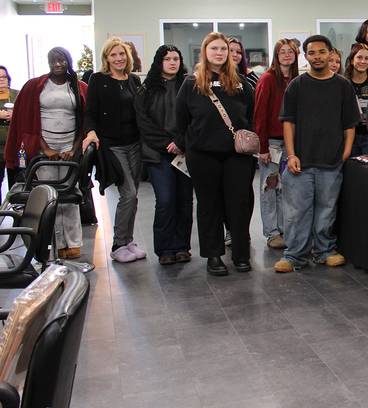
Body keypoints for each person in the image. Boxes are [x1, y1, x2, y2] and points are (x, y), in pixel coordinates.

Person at [274, 35, 360, 273]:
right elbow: (288, 122)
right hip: (300, 162)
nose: (317, 57)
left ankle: (324, 252)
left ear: (330, 53)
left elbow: (349, 123)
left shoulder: (343, 85)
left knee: (326, 211)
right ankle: (294, 256)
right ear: (305, 56)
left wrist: (346, 151)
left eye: (322, 52)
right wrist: (291, 155)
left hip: (331, 161)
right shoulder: (296, 86)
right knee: (296, 213)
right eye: (311, 53)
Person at [175, 33, 256, 276]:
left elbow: (249, 116)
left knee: (239, 205)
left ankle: (241, 255)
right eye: (214, 48)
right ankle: (213, 256)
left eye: (223, 49)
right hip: (202, 155)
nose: (219, 53)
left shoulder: (241, 83)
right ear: (205, 51)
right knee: (209, 205)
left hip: (237, 155)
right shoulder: (191, 83)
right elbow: (182, 119)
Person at [4, 48, 87, 259]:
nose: (57, 64)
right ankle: (55, 243)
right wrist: (46, 148)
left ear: (68, 61)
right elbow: (27, 120)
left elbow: (84, 120)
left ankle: (73, 242)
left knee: (70, 192)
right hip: (44, 147)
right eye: (52, 60)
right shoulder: (35, 86)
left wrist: (73, 149)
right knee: (50, 195)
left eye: (61, 60)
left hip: (70, 145)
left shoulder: (79, 86)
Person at [82, 37, 147, 263]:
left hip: (134, 144)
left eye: (121, 54)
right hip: (112, 145)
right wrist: (91, 132)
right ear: (106, 58)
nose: (118, 58)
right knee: (127, 194)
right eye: (113, 55)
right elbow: (90, 112)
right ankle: (118, 245)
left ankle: (128, 241)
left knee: (133, 196)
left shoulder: (134, 80)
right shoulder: (98, 79)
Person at [135, 45, 193, 265]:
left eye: (176, 58)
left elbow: (195, 117)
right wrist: (167, 144)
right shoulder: (147, 89)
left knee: (185, 200)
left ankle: (182, 247)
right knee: (166, 200)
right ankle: (165, 248)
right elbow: (144, 123)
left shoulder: (189, 85)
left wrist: (180, 142)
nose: (172, 62)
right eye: (167, 59)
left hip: (184, 152)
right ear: (159, 62)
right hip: (157, 154)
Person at [253, 39, 299, 250]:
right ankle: (272, 232)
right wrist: (262, 147)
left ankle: (284, 229)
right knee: (270, 186)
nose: (287, 55)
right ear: (276, 55)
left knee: (287, 187)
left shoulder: (298, 80)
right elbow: (260, 115)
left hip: (291, 142)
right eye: (282, 52)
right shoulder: (268, 79)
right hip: (271, 142)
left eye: (291, 51)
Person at [345, 43, 368, 156]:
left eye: (366, 58)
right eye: (359, 57)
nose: (363, 61)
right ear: (352, 60)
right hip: (349, 136)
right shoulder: (344, 83)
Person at [0, 66, 19, 191]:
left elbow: (28, 113)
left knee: (16, 181)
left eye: (4, 77)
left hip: (14, 146)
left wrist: (15, 114)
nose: (2, 79)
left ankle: (15, 203)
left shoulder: (17, 94)